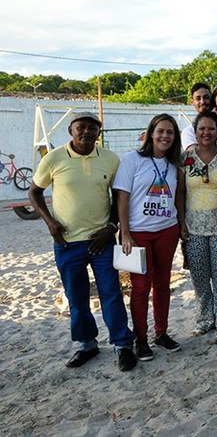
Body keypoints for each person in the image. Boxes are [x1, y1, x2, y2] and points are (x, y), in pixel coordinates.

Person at [28, 112, 137, 371]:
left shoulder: (110, 159)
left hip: (101, 241)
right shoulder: (53, 158)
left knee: (111, 293)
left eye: (92, 128)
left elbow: (119, 197)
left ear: (99, 133)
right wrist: (50, 223)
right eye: (81, 127)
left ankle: (123, 345)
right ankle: (87, 344)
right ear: (71, 131)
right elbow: (34, 192)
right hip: (66, 243)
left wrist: (111, 228)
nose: (86, 131)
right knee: (76, 297)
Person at [114, 114, 185, 361]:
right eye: (161, 131)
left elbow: (178, 197)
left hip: (167, 230)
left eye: (170, 132)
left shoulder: (175, 164)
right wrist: (125, 233)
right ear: (151, 133)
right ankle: (141, 339)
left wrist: (181, 225)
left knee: (163, 284)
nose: (165, 136)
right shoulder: (132, 160)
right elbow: (122, 197)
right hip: (139, 233)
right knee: (141, 287)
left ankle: (161, 332)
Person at [181, 111, 217, 340]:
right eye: (202, 128)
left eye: (211, 129)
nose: (206, 132)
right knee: (199, 277)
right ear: (195, 132)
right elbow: (180, 191)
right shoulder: (185, 158)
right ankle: (205, 320)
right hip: (193, 227)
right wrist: (180, 224)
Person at [181, 83, 212, 150]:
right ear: (192, 102)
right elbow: (196, 157)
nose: (202, 101)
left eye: (206, 97)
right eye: (198, 98)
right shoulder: (188, 132)